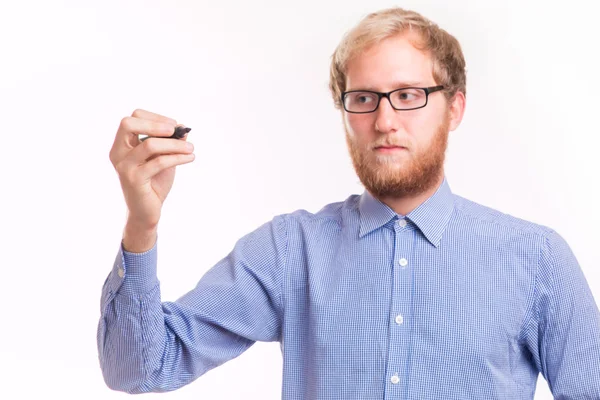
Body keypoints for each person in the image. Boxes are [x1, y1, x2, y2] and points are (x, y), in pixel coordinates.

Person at [97, 6, 600, 399]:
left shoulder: (536, 259)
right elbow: (141, 368)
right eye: (363, 98)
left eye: (408, 95)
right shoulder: (289, 250)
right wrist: (142, 225)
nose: (384, 121)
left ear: (455, 108)